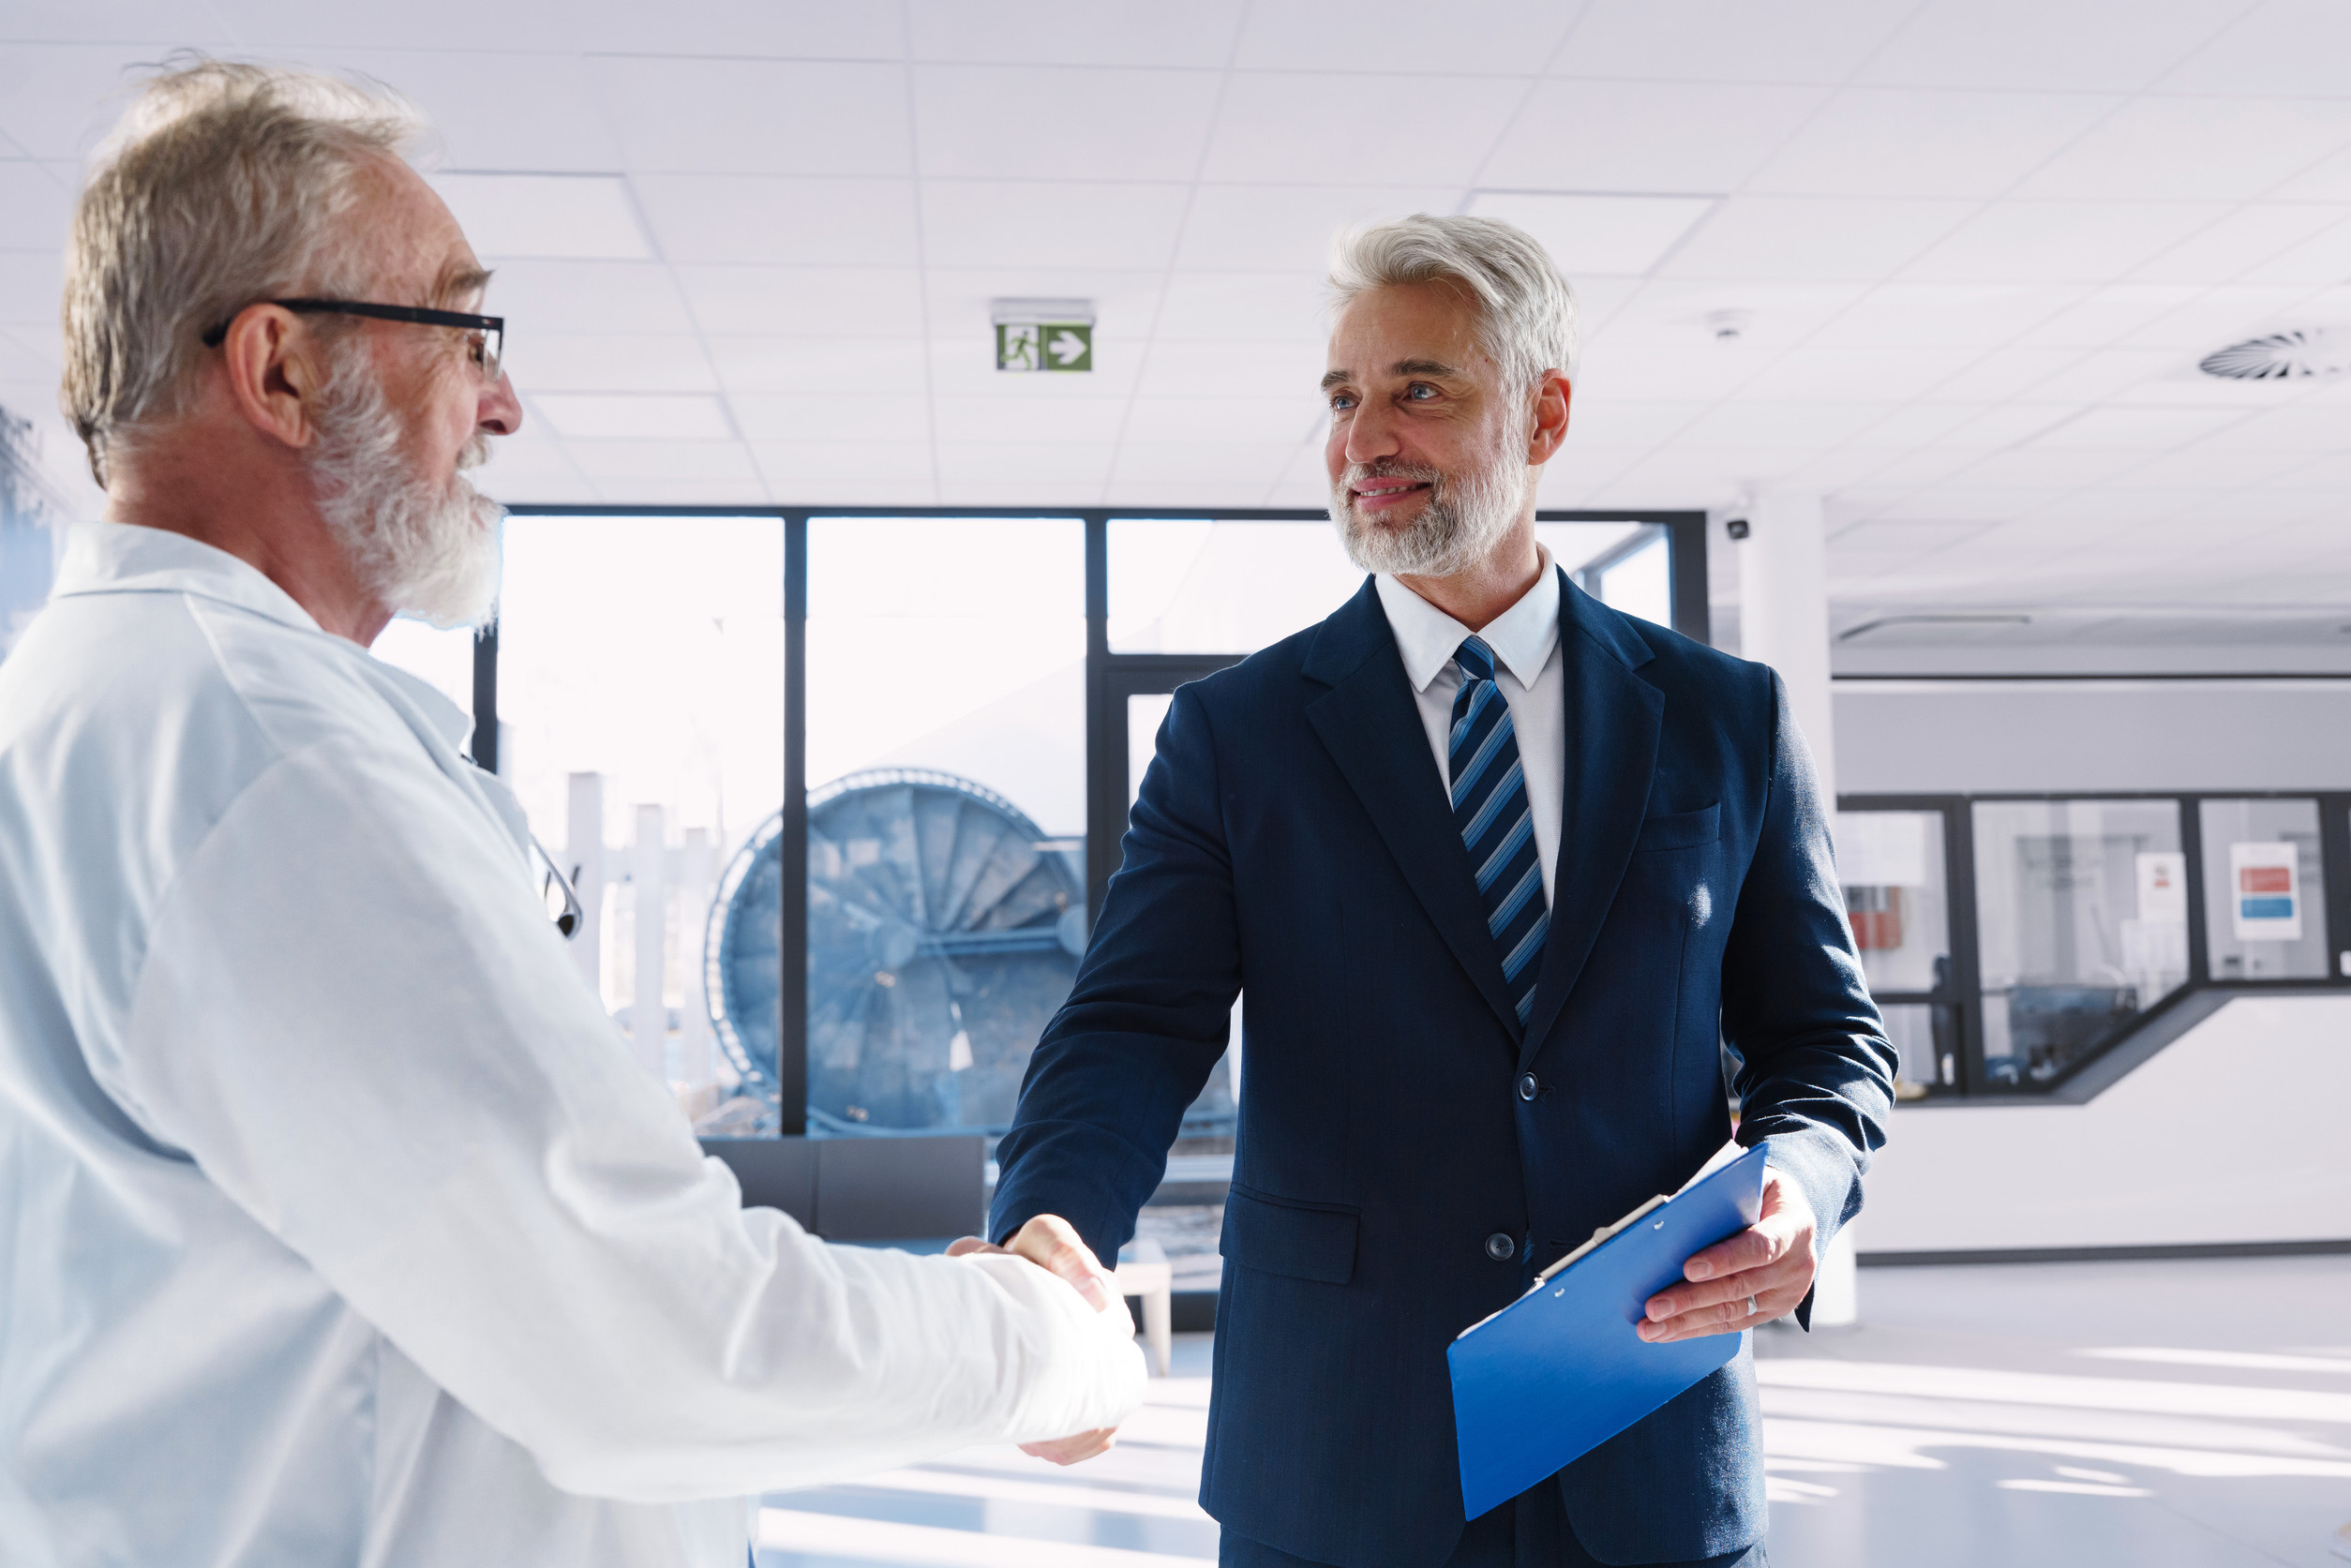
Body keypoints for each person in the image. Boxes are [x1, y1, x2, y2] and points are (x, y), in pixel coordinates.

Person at [0, 61, 1139, 1568]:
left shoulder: (107, 703)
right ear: (276, 370)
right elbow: (657, 1334)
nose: (506, 403)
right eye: (464, 331)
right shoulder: (264, 754)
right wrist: (1046, 1339)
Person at [986, 214, 1896, 1568]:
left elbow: (1826, 1041)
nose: (1363, 442)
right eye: (1343, 399)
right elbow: (1130, 1027)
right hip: (1341, 1458)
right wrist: (1052, 1226)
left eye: (1419, 390)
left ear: (1545, 416)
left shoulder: (1726, 720)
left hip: (1646, 1446)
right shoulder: (1239, 733)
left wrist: (1805, 1186)